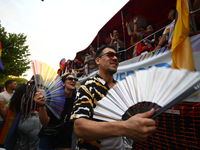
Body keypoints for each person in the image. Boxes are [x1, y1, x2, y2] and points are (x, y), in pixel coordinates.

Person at [70, 45, 156, 150]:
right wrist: (125, 127)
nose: (115, 58)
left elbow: (129, 117)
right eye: (110, 55)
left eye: (116, 56)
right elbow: (79, 127)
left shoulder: (123, 89)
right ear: (98, 60)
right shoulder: (88, 86)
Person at [34, 73, 77, 150]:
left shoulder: (77, 99)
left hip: (65, 139)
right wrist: (42, 106)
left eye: (75, 79)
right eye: (70, 79)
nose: (73, 80)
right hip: (49, 137)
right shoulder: (54, 98)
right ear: (63, 83)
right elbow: (44, 122)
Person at [17, 76, 42, 150]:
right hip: (35, 121)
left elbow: (22, 108)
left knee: (23, 146)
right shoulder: (40, 94)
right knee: (34, 147)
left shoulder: (25, 94)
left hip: (23, 120)